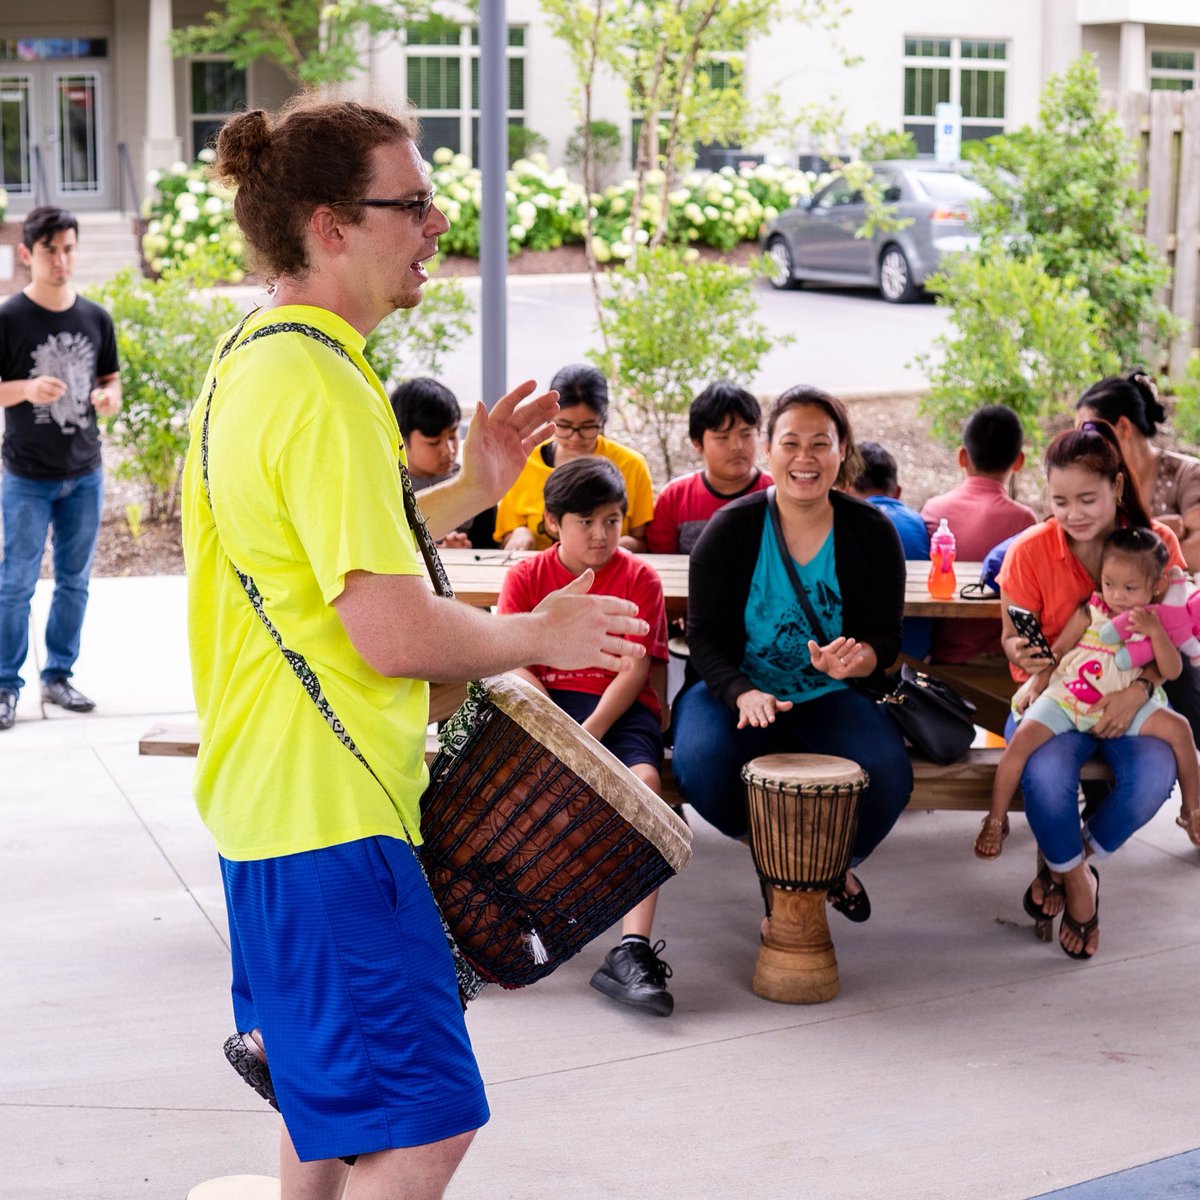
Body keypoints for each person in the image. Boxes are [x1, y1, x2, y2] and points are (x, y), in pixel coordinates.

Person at [181, 97, 651, 1200]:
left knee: (323, 1094)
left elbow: (312, 560)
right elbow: (389, 630)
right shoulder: (327, 387)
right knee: (430, 1119)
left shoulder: (255, 360)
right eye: (415, 202)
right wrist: (539, 631)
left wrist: (469, 492)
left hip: (268, 805)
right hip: (330, 815)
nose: (438, 223)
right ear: (330, 225)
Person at [671, 385, 913, 923]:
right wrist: (741, 691)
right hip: (738, 691)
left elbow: (886, 637)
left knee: (889, 776)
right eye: (791, 443)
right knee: (701, 765)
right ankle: (775, 860)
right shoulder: (730, 530)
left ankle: (829, 867)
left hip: (830, 694)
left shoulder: (872, 532)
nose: (805, 458)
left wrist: (859, 661)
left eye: (820, 444)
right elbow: (704, 639)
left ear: (842, 450)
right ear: (769, 451)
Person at [997, 420, 1185, 960]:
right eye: (1059, 501)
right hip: (1054, 698)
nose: (1073, 514)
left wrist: (1139, 690)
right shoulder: (1029, 552)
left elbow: (1178, 637)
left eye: (1087, 498)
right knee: (1046, 777)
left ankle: (1066, 857)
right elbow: (1012, 635)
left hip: (1133, 698)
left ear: (1117, 488)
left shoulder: (1158, 546)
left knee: (1151, 779)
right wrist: (1020, 652)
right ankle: (1080, 885)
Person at [497, 457, 674, 1015]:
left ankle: (632, 949)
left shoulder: (639, 577)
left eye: (612, 521)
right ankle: (506, 924)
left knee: (643, 785)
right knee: (508, 786)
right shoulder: (527, 576)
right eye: (585, 522)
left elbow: (635, 669)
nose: (601, 535)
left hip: (616, 712)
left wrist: (588, 734)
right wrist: (556, 728)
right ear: (553, 522)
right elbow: (515, 658)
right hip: (547, 708)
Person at [979, 527, 1200, 864]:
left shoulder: (1153, 622)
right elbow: (1059, 649)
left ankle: (1192, 809)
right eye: (1110, 584)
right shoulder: (1092, 609)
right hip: (1072, 696)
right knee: (1022, 740)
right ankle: (996, 819)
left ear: (1156, 587)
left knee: (1181, 729)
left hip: (1125, 700)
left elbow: (1171, 670)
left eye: (1130, 588)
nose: (1117, 596)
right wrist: (1039, 678)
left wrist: (1155, 632)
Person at [0, 205, 122, 732]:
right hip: (26, 476)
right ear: (28, 253)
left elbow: (112, 381)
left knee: (74, 582)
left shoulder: (95, 317)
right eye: (51, 249)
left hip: (84, 473)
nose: (61, 259)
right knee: (15, 584)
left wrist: (108, 398)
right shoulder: (8, 318)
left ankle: (58, 675)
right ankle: (6, 685)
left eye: (69, 248)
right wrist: (26, 389)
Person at [920, 405, 1037, 664]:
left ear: (962, 457)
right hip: (1001, 659)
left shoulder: (935, 510)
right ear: (1019, 461)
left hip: (944, 660)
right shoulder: (1025, 521)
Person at [494, 363, 654, 552]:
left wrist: (614, 545)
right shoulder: (523, 462)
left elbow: (643, 543)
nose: (575, 437)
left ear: (603, 420)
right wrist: (519, 533)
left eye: (587, 427)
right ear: (549, 417)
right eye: (564, 425)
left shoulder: (631, 465)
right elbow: (504, 538)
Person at [1075, 370, 1200, 571]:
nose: (1083, 444)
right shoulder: (1096, 483)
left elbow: (1197, 553)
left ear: (1123, 427)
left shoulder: (1188, 474)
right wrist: (1156, 531)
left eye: (1088, 432)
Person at [645, 380, 770, 555]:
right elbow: (662, 564)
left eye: (746, 434)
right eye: (723, 437)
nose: (737, 446)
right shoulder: (674, 498)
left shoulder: (780, 493)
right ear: (697, 444)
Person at [847, 440, 932, 661]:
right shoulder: (917, 521)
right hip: (918, 651)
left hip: (863, 655)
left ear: (845, 488)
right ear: (897, 492)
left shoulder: (847, 521)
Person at [390, 376, 495, 548]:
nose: (449, 450)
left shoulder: (474, 479)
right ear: (400, 438)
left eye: (453, 435)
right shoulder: (387, 488)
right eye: (434, 442)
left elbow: (488, 547)